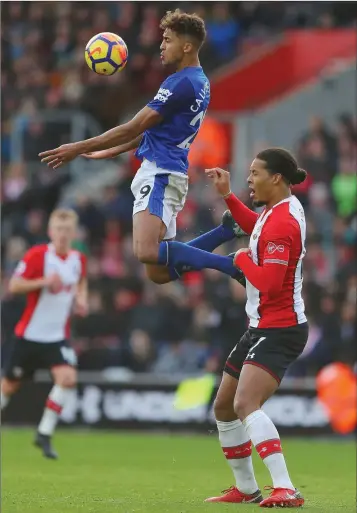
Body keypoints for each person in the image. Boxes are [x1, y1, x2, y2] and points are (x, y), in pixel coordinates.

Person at [38, 9, 245, 285]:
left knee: (146, 251)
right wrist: (112, 150)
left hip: (160, 172)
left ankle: (230, 264)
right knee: (158, 272)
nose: (161, 46)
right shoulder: (200, 81)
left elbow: (133, 126)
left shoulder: (180, 83)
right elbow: (156, 130)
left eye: (168, 40)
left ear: (186, 46)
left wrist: (76, 147)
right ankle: (224, 232)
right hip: (170, 170)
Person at [204, 148, 308, 508]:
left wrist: (243, 258)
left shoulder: (283, 222)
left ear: (276, 178)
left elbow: (271, 283)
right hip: (261, 324)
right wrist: (228, 196)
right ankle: (247, 489)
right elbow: (255, 228)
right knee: (223, 407)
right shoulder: (274, 212)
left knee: (245, 402)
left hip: (281, 328)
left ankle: (286, 488)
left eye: (255, 173)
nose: (249, 179)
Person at [1, 209, 88, 460]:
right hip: (29, 337)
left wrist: (81, 301)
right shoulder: (38, 256)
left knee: (68, 377)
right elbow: (14, 286)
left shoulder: (78, 259)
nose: (62, 235)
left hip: (56, 338)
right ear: (51, 232)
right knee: (8, 387)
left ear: (73, 233)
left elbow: (81, 283)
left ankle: (44, 433)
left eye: (67, 230)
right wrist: (43, 282)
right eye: (58, 230)